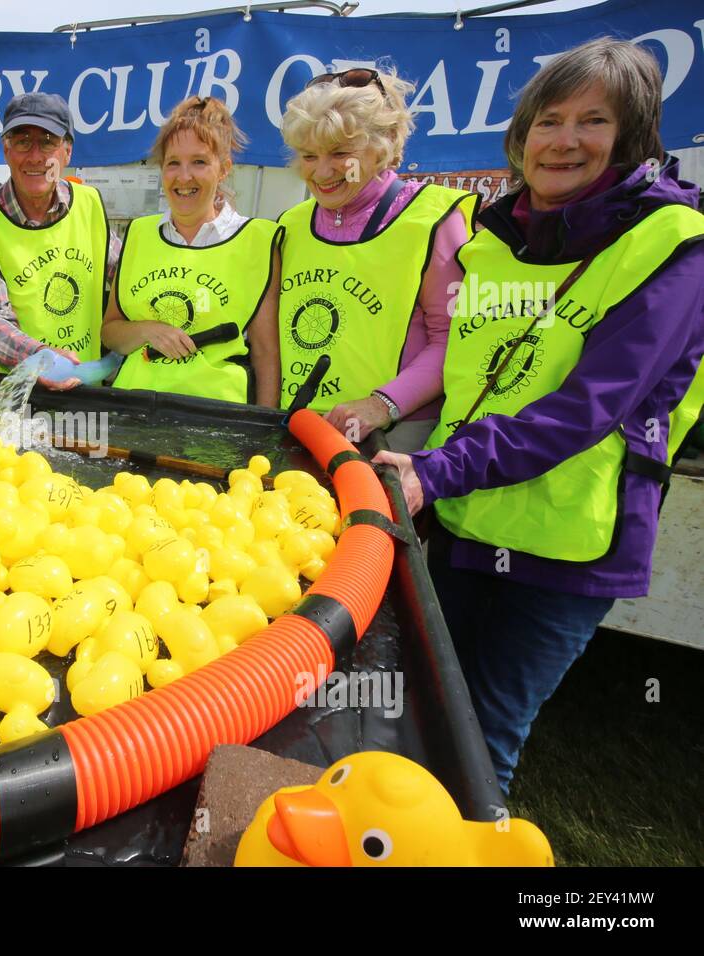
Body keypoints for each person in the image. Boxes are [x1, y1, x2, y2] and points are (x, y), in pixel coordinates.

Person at [374, 38, 704, 792]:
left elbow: (587, 408)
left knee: (483, 737)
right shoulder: (498, 240)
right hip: (464, 524)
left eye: (593, 121)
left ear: (632, 137)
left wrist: (436, 472)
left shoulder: (675, 246)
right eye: (547, 120)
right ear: (520, 137)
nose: (564, 140)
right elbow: (475, 384)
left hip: (566, 549)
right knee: (420, 712)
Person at [278, 67, 477, 450]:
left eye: (340, 154)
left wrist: (382, 404)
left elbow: (455, 338)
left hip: (389, 433)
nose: (322, 171)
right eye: (308, 155)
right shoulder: (291, 223)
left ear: (382, 146)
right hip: (300, 426)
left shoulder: (433, 218)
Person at [103, 96, 281, 404]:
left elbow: (266, 353)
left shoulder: (257, 240)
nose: (184, 177)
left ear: (223, 168)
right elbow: (111, 332)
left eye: (199, 162)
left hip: (215, 414)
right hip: (133, 405)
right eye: (173, 163)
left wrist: (265, 432)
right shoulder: (140, 233)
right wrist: (148, 330)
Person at [0, 93, 119, 389]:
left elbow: (125, 278)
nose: (35, 156)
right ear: (6, 151)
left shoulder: (89, 202)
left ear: (66, 152)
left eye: (47, 142)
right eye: (22, 142)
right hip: (18, 391)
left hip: (87, 387)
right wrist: (41, 358)